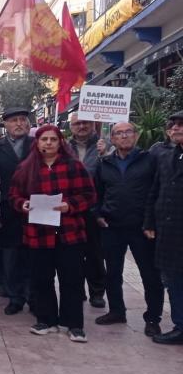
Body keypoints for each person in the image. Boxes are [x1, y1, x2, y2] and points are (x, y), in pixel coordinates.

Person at [9, 124, 96, 343]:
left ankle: (73, 324)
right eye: (44, 139)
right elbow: (13, 196)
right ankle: (46, 320)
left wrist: (70, 205)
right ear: (36, 143)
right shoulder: (26, 168)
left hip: (69, 232)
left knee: (72, 279)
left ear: (60, 142)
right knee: (41, 279)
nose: (48, 143)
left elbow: (89, 195)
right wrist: (23, 204)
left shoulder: (74, 166)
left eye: (53, 139)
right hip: (38, 233)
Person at [93, 121, 163, 336]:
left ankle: (153, 318)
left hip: (141, 227)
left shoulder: (150, 161)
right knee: (113, 272)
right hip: (112, 226)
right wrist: (97, 215)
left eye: (128, 132)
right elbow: (97, 193)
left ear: (136, 135)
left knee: (150, 275)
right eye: (119, 133)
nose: (124, 136)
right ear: (112, 139)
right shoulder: (104, 163)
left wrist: (152, 222)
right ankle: (116, 311)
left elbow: (158, 191)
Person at [144, 110, 183, 344]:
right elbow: (155, 191)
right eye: (174, 124)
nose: (176, 128)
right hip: (169, 232)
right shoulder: (169, 157)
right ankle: (180, 325)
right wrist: (149, 221)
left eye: (181, 125)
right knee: (173, 280)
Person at [0, 108, 35, 313]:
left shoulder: (39, 145)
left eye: (22, 120)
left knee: (34, 254)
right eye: (13, 120)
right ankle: (15, 296)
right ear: (5, 125)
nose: (18, 124)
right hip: (7, 209)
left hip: (35, 208)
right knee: (9, 255)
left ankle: (33, 295)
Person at [68, 113, 106, 309]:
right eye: (77, 123)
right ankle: (78, 290)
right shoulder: (65, 147)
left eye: (85, 122)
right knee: (72, 253)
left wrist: (106, 154)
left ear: (93, 124)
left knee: (94, 253)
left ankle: (97, 292)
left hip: (94, 209)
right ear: (71, 126)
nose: (81, 126)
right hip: (71, 208)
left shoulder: (104, 145)